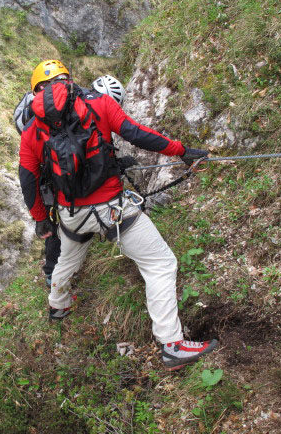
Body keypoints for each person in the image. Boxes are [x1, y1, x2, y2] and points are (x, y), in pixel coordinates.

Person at [18, 59, 218, 370]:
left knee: (68, 258)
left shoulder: (31, 130)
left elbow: (29, 179)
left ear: (35, 92)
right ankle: (172, 344)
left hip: (70, 212)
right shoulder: (97, 104)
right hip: (112, 209)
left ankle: (58, 306)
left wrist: (41, 218)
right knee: (160, 264)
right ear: (68, 80)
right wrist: (180, 150)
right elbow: (137, 135)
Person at [13, 60, 127, 289]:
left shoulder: (32, 117)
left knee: (55, 221)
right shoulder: (78, 103)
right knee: (58, 224)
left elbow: (28, 177)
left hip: (51, 175)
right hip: (66, 177)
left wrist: (39, 218)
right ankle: (54, 272)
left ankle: (54, 276)